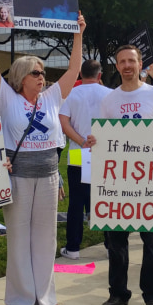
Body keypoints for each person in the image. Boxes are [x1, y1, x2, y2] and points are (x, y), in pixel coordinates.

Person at [0, 0, 85, 305]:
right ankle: (20, 298)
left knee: (45, 238)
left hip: (49, 176)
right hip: (18, 178)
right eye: (36, 72)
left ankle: (45, 295)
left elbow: (74, 68)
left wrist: (78, 33)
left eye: (43, 72)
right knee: (18, 237)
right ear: (21, 77)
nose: (42, 76)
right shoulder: (7, 99)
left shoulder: (52, 96)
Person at [97, 45, 153, 305]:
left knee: (151, 242)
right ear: (116, 66)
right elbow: (104, 138)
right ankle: (118, 293)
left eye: (132, 61)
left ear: (140, 64)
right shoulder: (109, 100)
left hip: (149, 180)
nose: (127, 65)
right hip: (117, 182)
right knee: (116, 242)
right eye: (122, 62)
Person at [58, 60, 110, 261]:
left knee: (76, 202)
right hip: (104, 152)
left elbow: (64, 122)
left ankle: (73, 247)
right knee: (105, 198)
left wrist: (80, 140)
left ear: (80, 74)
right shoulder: (110, 94)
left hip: (78, 153)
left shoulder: (72, 93)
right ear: (99, 74)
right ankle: (109, 244)